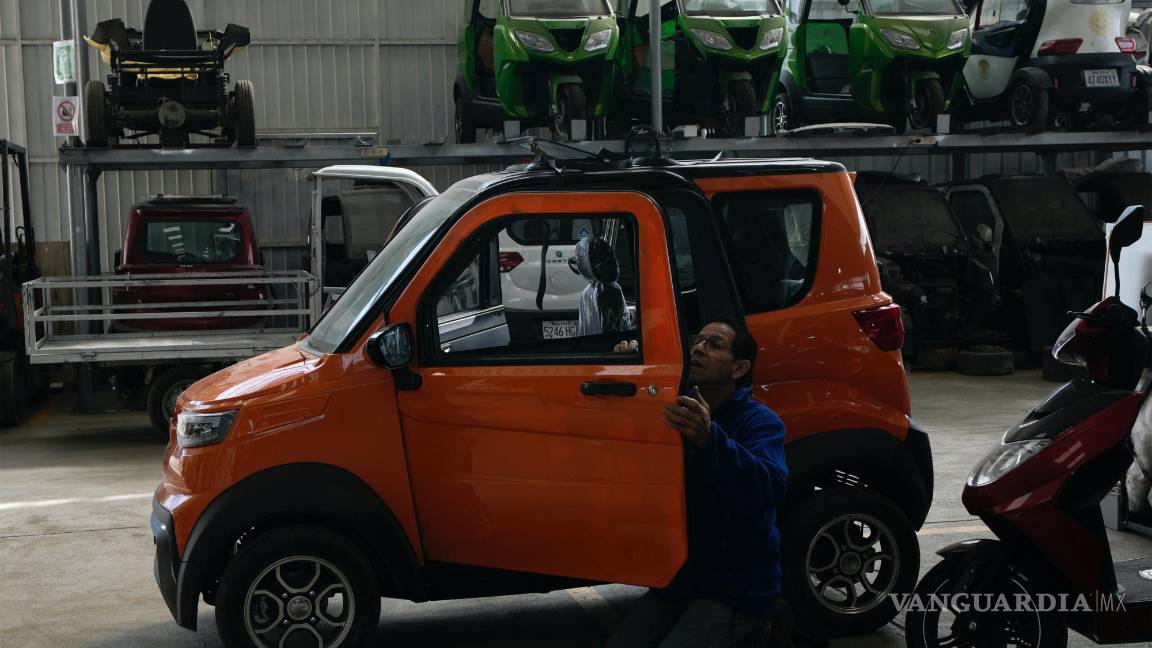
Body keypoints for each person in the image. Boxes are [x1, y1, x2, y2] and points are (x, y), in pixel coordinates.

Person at [606, 318, 789, 648]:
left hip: (737, 588)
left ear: (739, 368)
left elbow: (770, 487)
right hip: (680, 580)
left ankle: (759, 626)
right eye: (697, 340)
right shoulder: (674, 406)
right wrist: (628, 368)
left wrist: (710, 440)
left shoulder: (760, 422)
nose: (698, 348)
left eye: (715, 344)